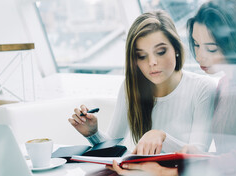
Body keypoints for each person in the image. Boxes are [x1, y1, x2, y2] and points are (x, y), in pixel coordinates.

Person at [107, 0, 236, 176]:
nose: (200, 56)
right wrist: (187, 153)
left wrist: (170, 173)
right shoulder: (224, 84)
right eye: (196, 45)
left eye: (211, 49)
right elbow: (226, 156)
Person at [69, 10, 216, 156]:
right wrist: (92, 133)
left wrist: (161, 137)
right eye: (142, 56)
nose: (152, 62)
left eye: (160, 52)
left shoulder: (202, 88)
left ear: (176, 48)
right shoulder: (131, 88)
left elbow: (199, 154)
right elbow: (114, 147)